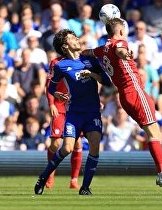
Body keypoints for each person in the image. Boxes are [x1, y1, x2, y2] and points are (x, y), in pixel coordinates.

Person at [82, 18, 162, 194]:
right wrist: (125, 55)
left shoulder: (102, 49)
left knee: (154, 133)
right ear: (121, 31)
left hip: (124, 96)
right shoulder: (119, 42)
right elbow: (120, 50)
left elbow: (88, 52)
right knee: (154, 133)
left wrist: (77, 54)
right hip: (135, 91)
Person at [34, 29, 112, 196]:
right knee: (67, 148)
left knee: (94, 145)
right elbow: (52, 85)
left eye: (76, 37)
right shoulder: (60, 66)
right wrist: (55, 94)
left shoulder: (90, 60)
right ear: (65, 46)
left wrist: (91, 74)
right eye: (72, 38)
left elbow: (106, 80)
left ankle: (85, 187)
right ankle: (43, 177)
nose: (77, 39)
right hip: (74, 113)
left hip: (92, 111)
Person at [45, 57, 82, 189]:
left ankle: (74, 181)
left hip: (76, 107)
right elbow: (49, 85)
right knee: (55, 145)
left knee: (77, 142)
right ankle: (49, 175)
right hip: (59, 107)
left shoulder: (82, 61)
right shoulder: (56, 62)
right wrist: (51, 104)